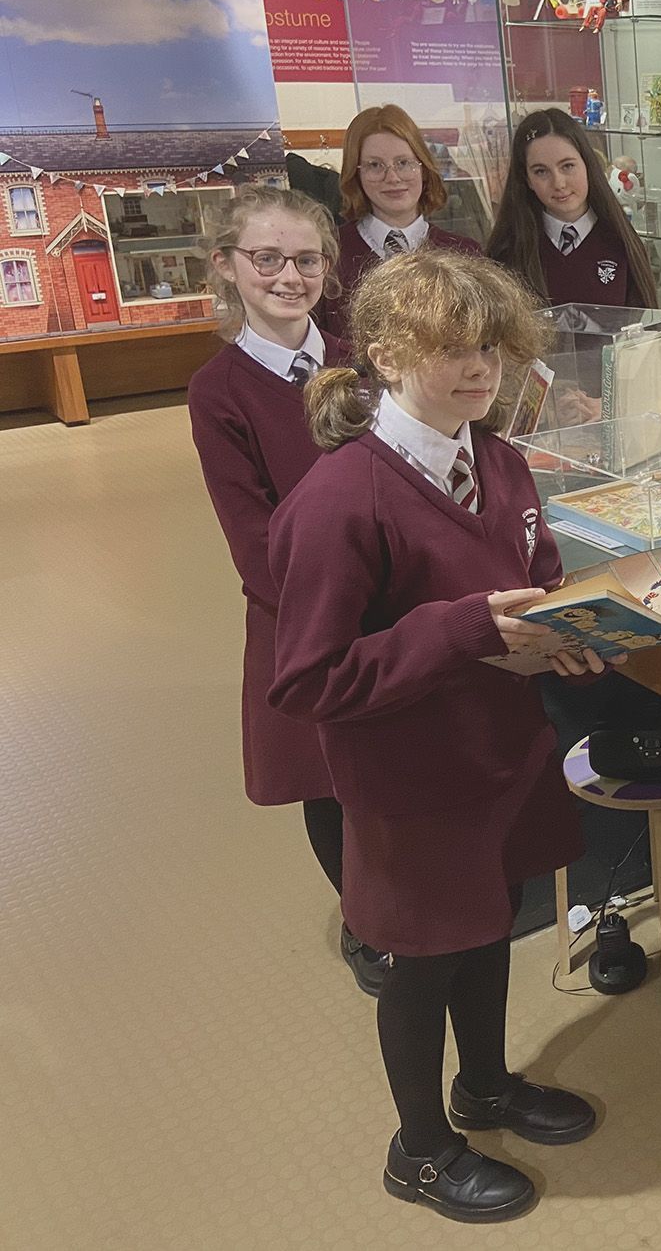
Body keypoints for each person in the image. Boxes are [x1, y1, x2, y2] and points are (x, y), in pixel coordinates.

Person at [269, 248, 611, 1222]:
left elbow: (533, 575)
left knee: (487, 928)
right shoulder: (341, 500)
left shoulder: (497, 461)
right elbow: (307, 677)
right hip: (410, 777)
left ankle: (488, 1086)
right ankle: (419, 1148)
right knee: (425, 957)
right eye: (451, 350)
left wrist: (572, 632)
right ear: (383, 353)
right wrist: (460, 628)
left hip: (496, 752)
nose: (479, 370)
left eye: (491, 349)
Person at [188, 186, 393, 997]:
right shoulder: (220, 391)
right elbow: (253, 539)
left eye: (305, 259)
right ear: (228, 267)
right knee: (328, 777)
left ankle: (404, 893)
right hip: (304, 620)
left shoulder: (362, 359)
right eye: (266, 259)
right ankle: (364, 920)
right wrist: (338, 608)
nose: (287, 276)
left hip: (392, 600)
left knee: (387, 764)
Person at [320, 104, 481, 339]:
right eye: (375, 165)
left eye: (403, 163)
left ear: (423, 168)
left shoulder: (466, 254)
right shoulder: (329, 255)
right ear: (356, 174)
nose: (392, 178)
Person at [485, 108, 657, 308]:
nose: (558, 183)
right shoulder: (506, 253)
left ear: (588, 164)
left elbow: (650, 333)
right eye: (541, 171)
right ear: (527, 180)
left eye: (567, 166)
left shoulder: (622, 244)